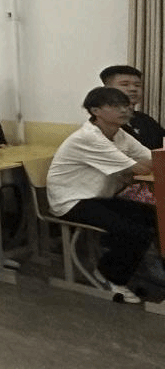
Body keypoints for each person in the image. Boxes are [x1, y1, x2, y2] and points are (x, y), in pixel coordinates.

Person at [47, 86, 157, 304]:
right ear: (95, 111)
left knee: (151, 216)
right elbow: (141, 168)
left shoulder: (120, 134)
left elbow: (152, 159)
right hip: (71, 201)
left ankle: (117, 264)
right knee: (135, 231)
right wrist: (136, 166)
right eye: (115, 106)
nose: (124, 110)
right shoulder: (88, 137)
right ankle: (110, 276)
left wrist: (139, 165)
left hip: (98, 196)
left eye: (126, 105)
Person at [99, 65, 164, 151]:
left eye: (137, 85)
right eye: (125, 84)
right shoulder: (101, 122)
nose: (133, 89)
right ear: (107, 89)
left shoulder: (145, 119)